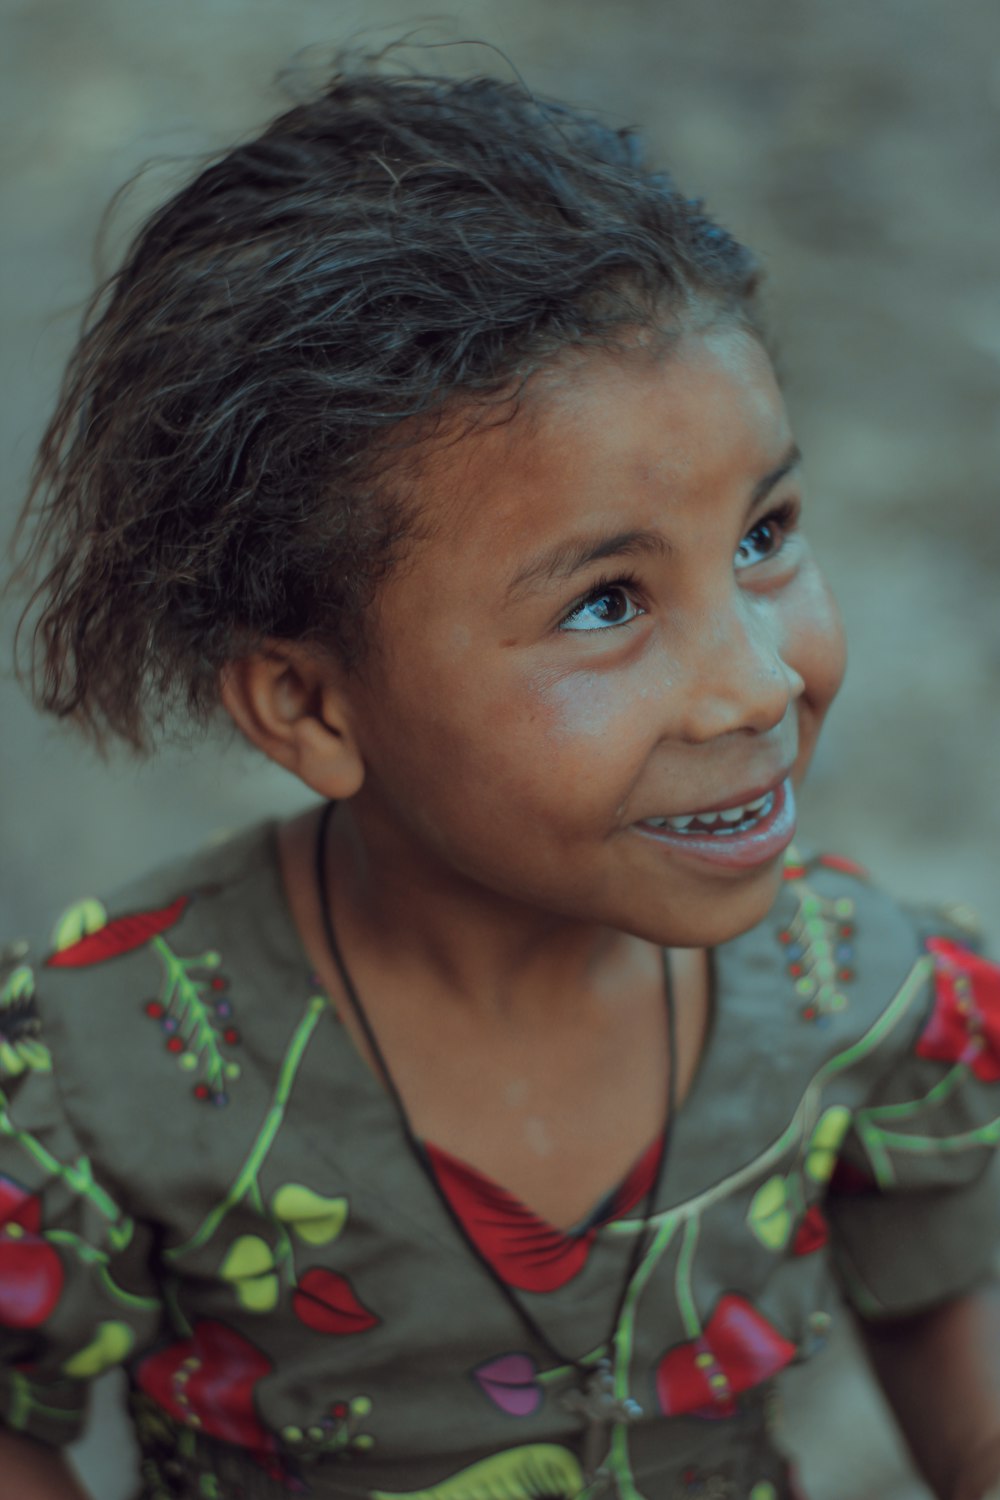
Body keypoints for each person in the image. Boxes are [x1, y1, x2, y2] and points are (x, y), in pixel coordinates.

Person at [2, 50, 999, 1500]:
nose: (761, 679)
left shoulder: (875, 1008)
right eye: (607, 602)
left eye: (765, 532)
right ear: (309, 702)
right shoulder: (107, 1076)